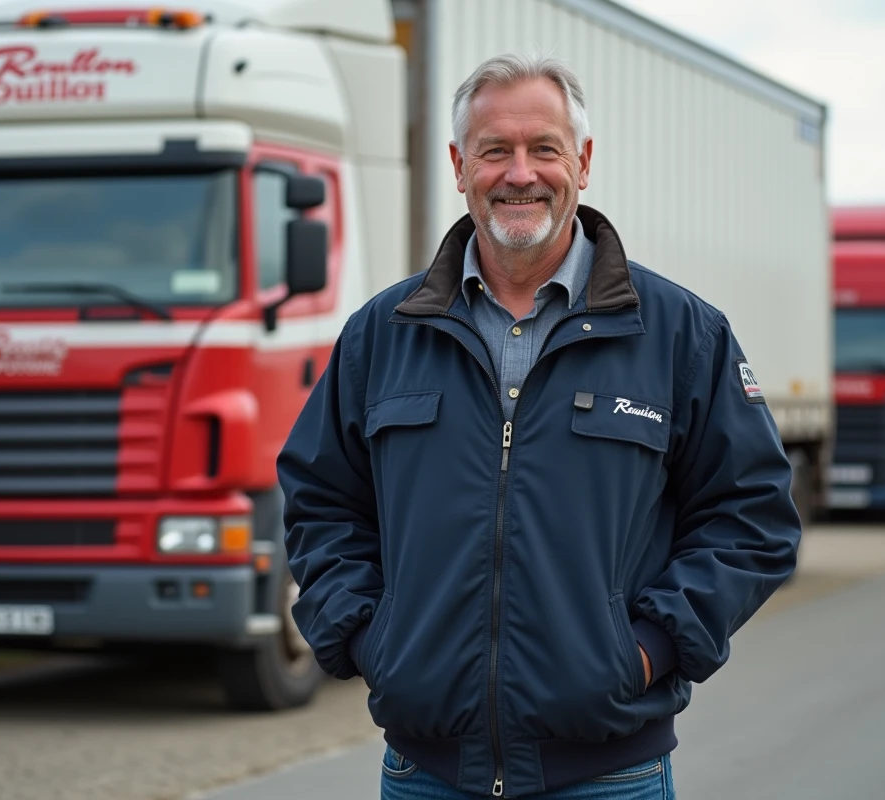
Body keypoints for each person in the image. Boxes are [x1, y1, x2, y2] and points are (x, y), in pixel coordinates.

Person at [277, 53, 801, 800]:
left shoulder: (681, 333)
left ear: (581, 164)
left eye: (544, 149)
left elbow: (752, 517)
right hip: (426, 774)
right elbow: (320, 501)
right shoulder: (381, 336)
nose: (520, 173)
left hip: (610, 773)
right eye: (495, 150)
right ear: (460, 167)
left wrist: (646, 649)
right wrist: (370, 639)